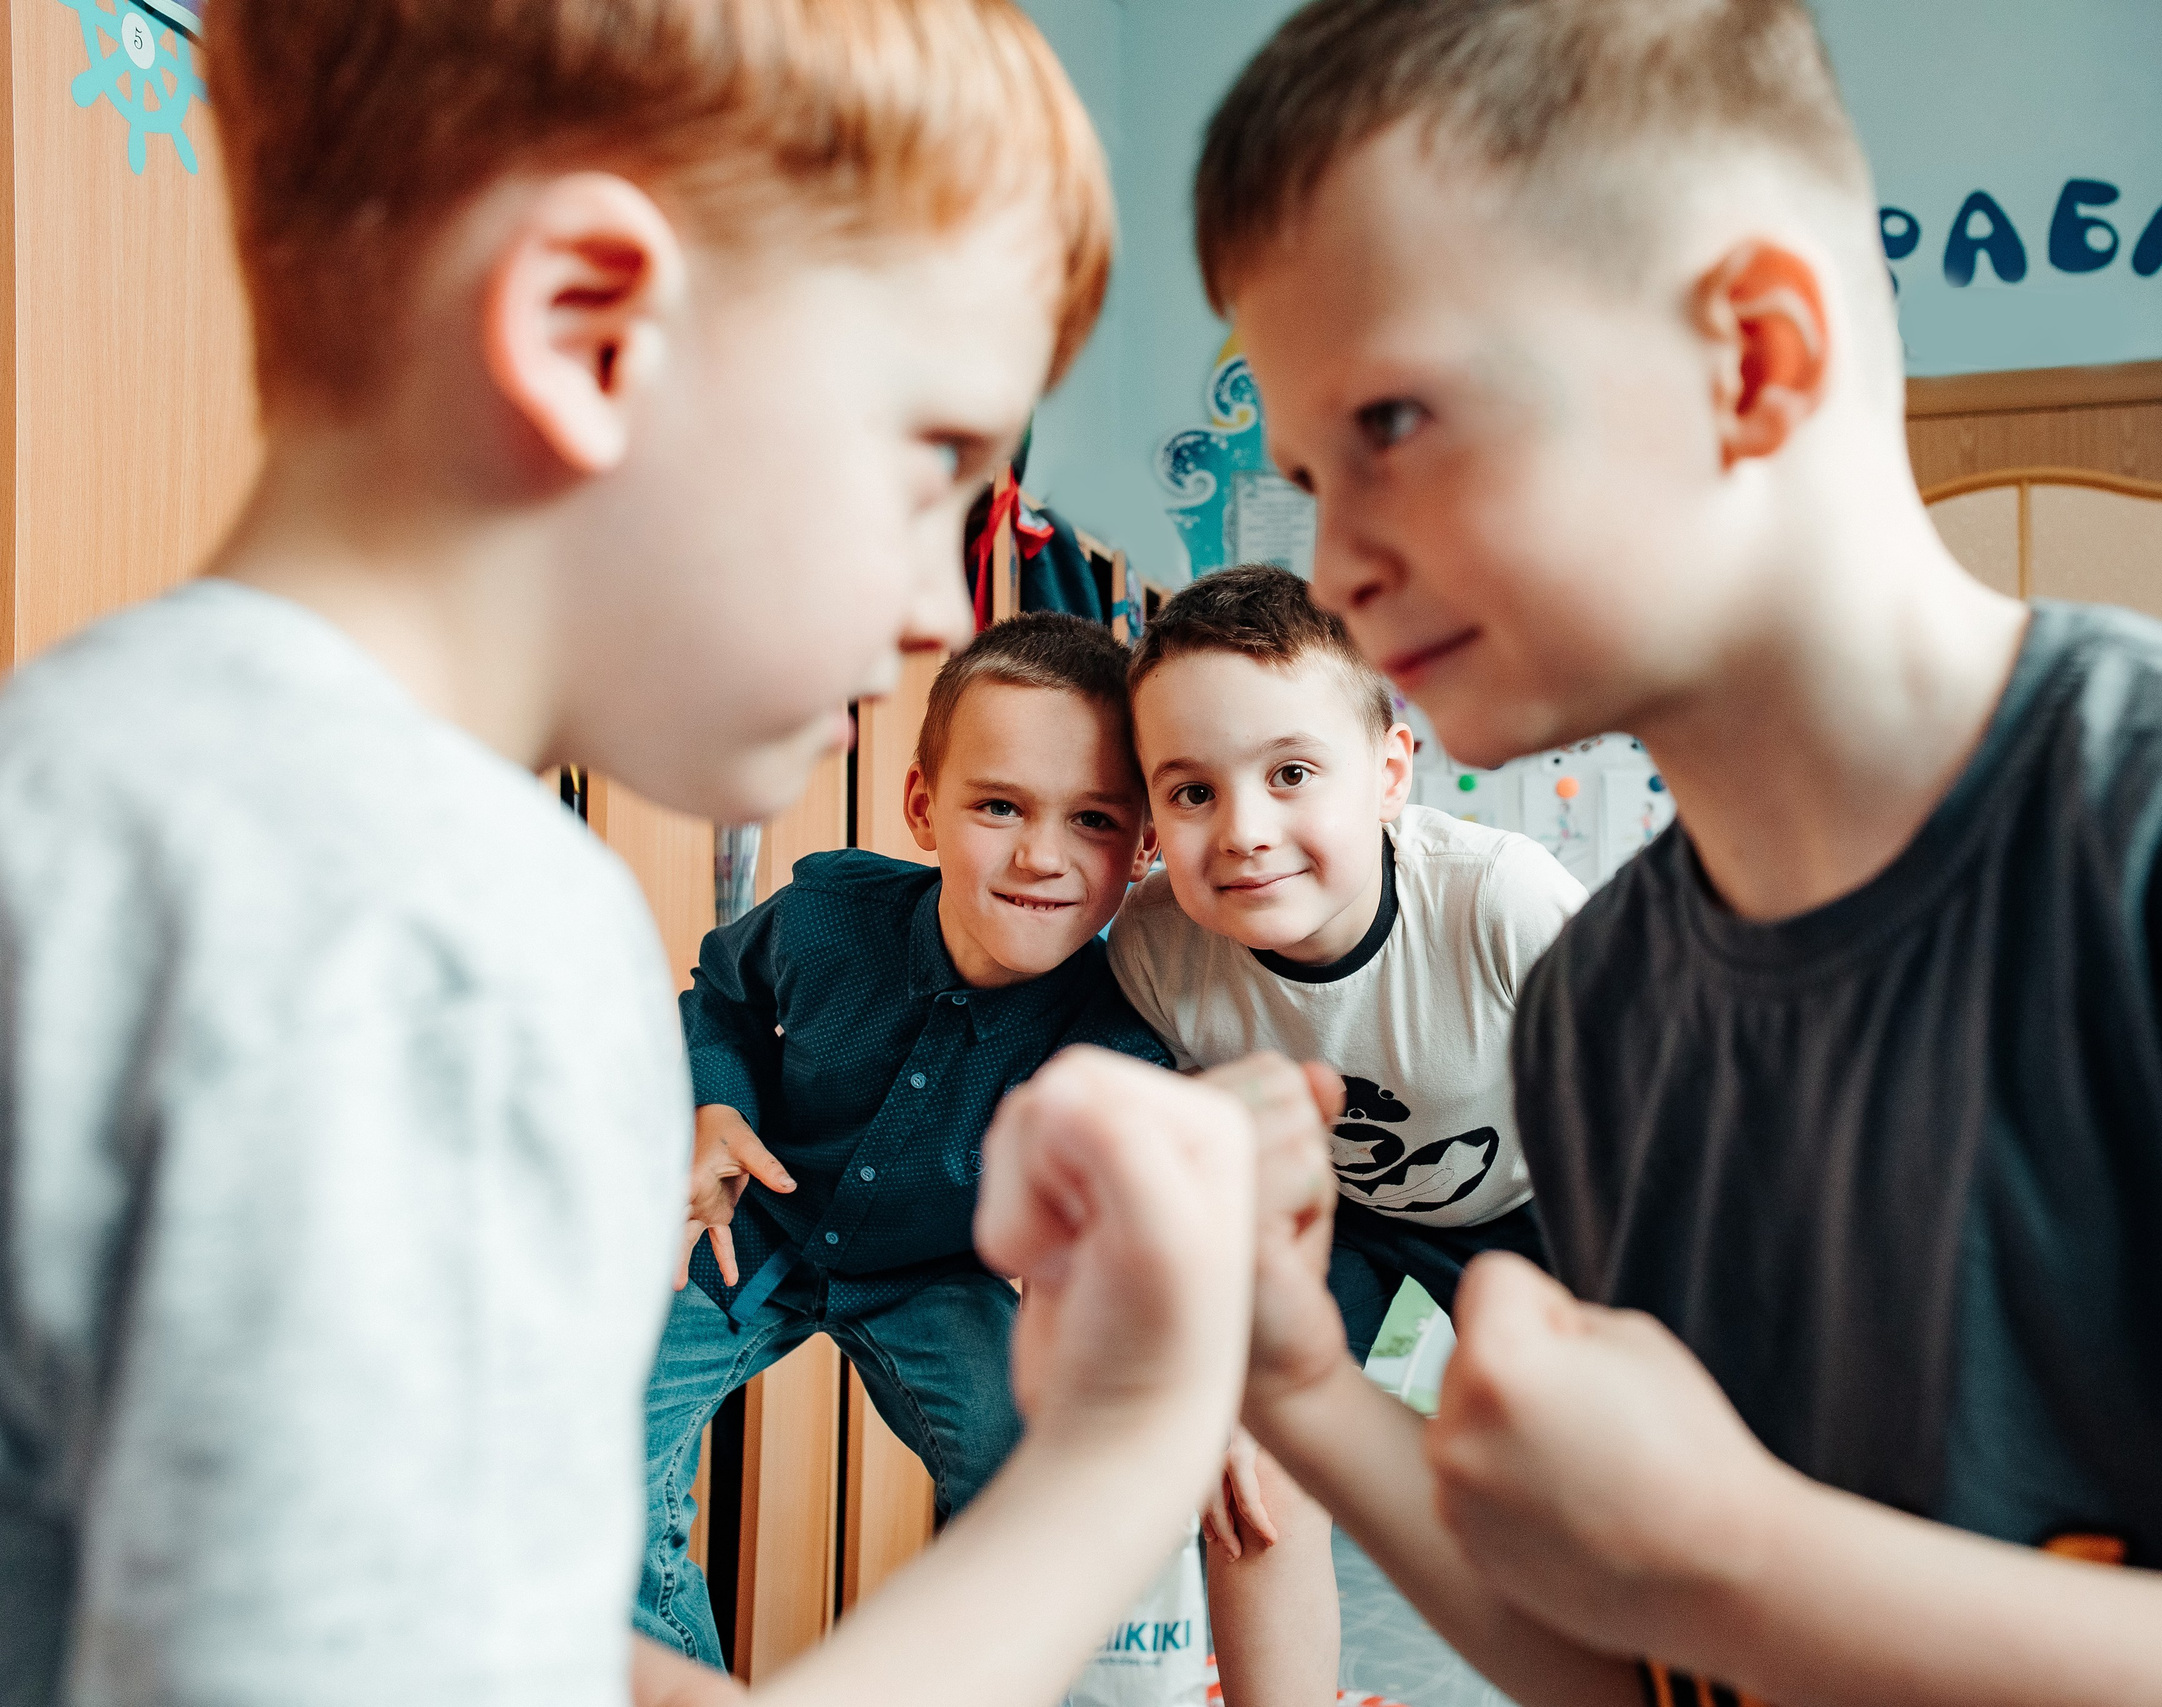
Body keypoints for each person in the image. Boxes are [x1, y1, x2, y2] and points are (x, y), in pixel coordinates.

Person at [1191, 2, 2162, 1704]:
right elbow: (1660, 1658)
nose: (1335, 559)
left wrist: (1740, 1546)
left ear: (1753, 359)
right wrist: (1299, 1374)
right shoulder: (1602, 1016)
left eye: (1390, 422)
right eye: (1307, 473)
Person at [0, 3, 1318, 1705]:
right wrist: (1129, 1440)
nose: (942, 603)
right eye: (936, 468)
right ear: (588, 333)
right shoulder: (443, 935)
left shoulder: (80, 774)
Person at [638, 612, 1171, 1668]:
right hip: (759, 1226)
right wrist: (717, 1108)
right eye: (999, 806)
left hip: (935, 1274)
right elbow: (722, 999)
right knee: (593, 1449)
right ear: (924, 807)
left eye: (1094, 821)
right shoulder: (823, 919)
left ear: (1143, 847)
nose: (1040, 855)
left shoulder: (1123, 1037)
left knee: (1034, 1488)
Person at [1107, 565, 1584, 1707]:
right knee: (1252, 1468)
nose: (1244, 832)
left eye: (1290, 774)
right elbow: (1188, 1179)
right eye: (1190, 793)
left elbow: (1665, 1117)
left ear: (1385, 773)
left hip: (1542, 1203)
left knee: (1599, 1476)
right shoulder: (1151, 951)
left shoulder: (1498, 902)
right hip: (1340, 1217)